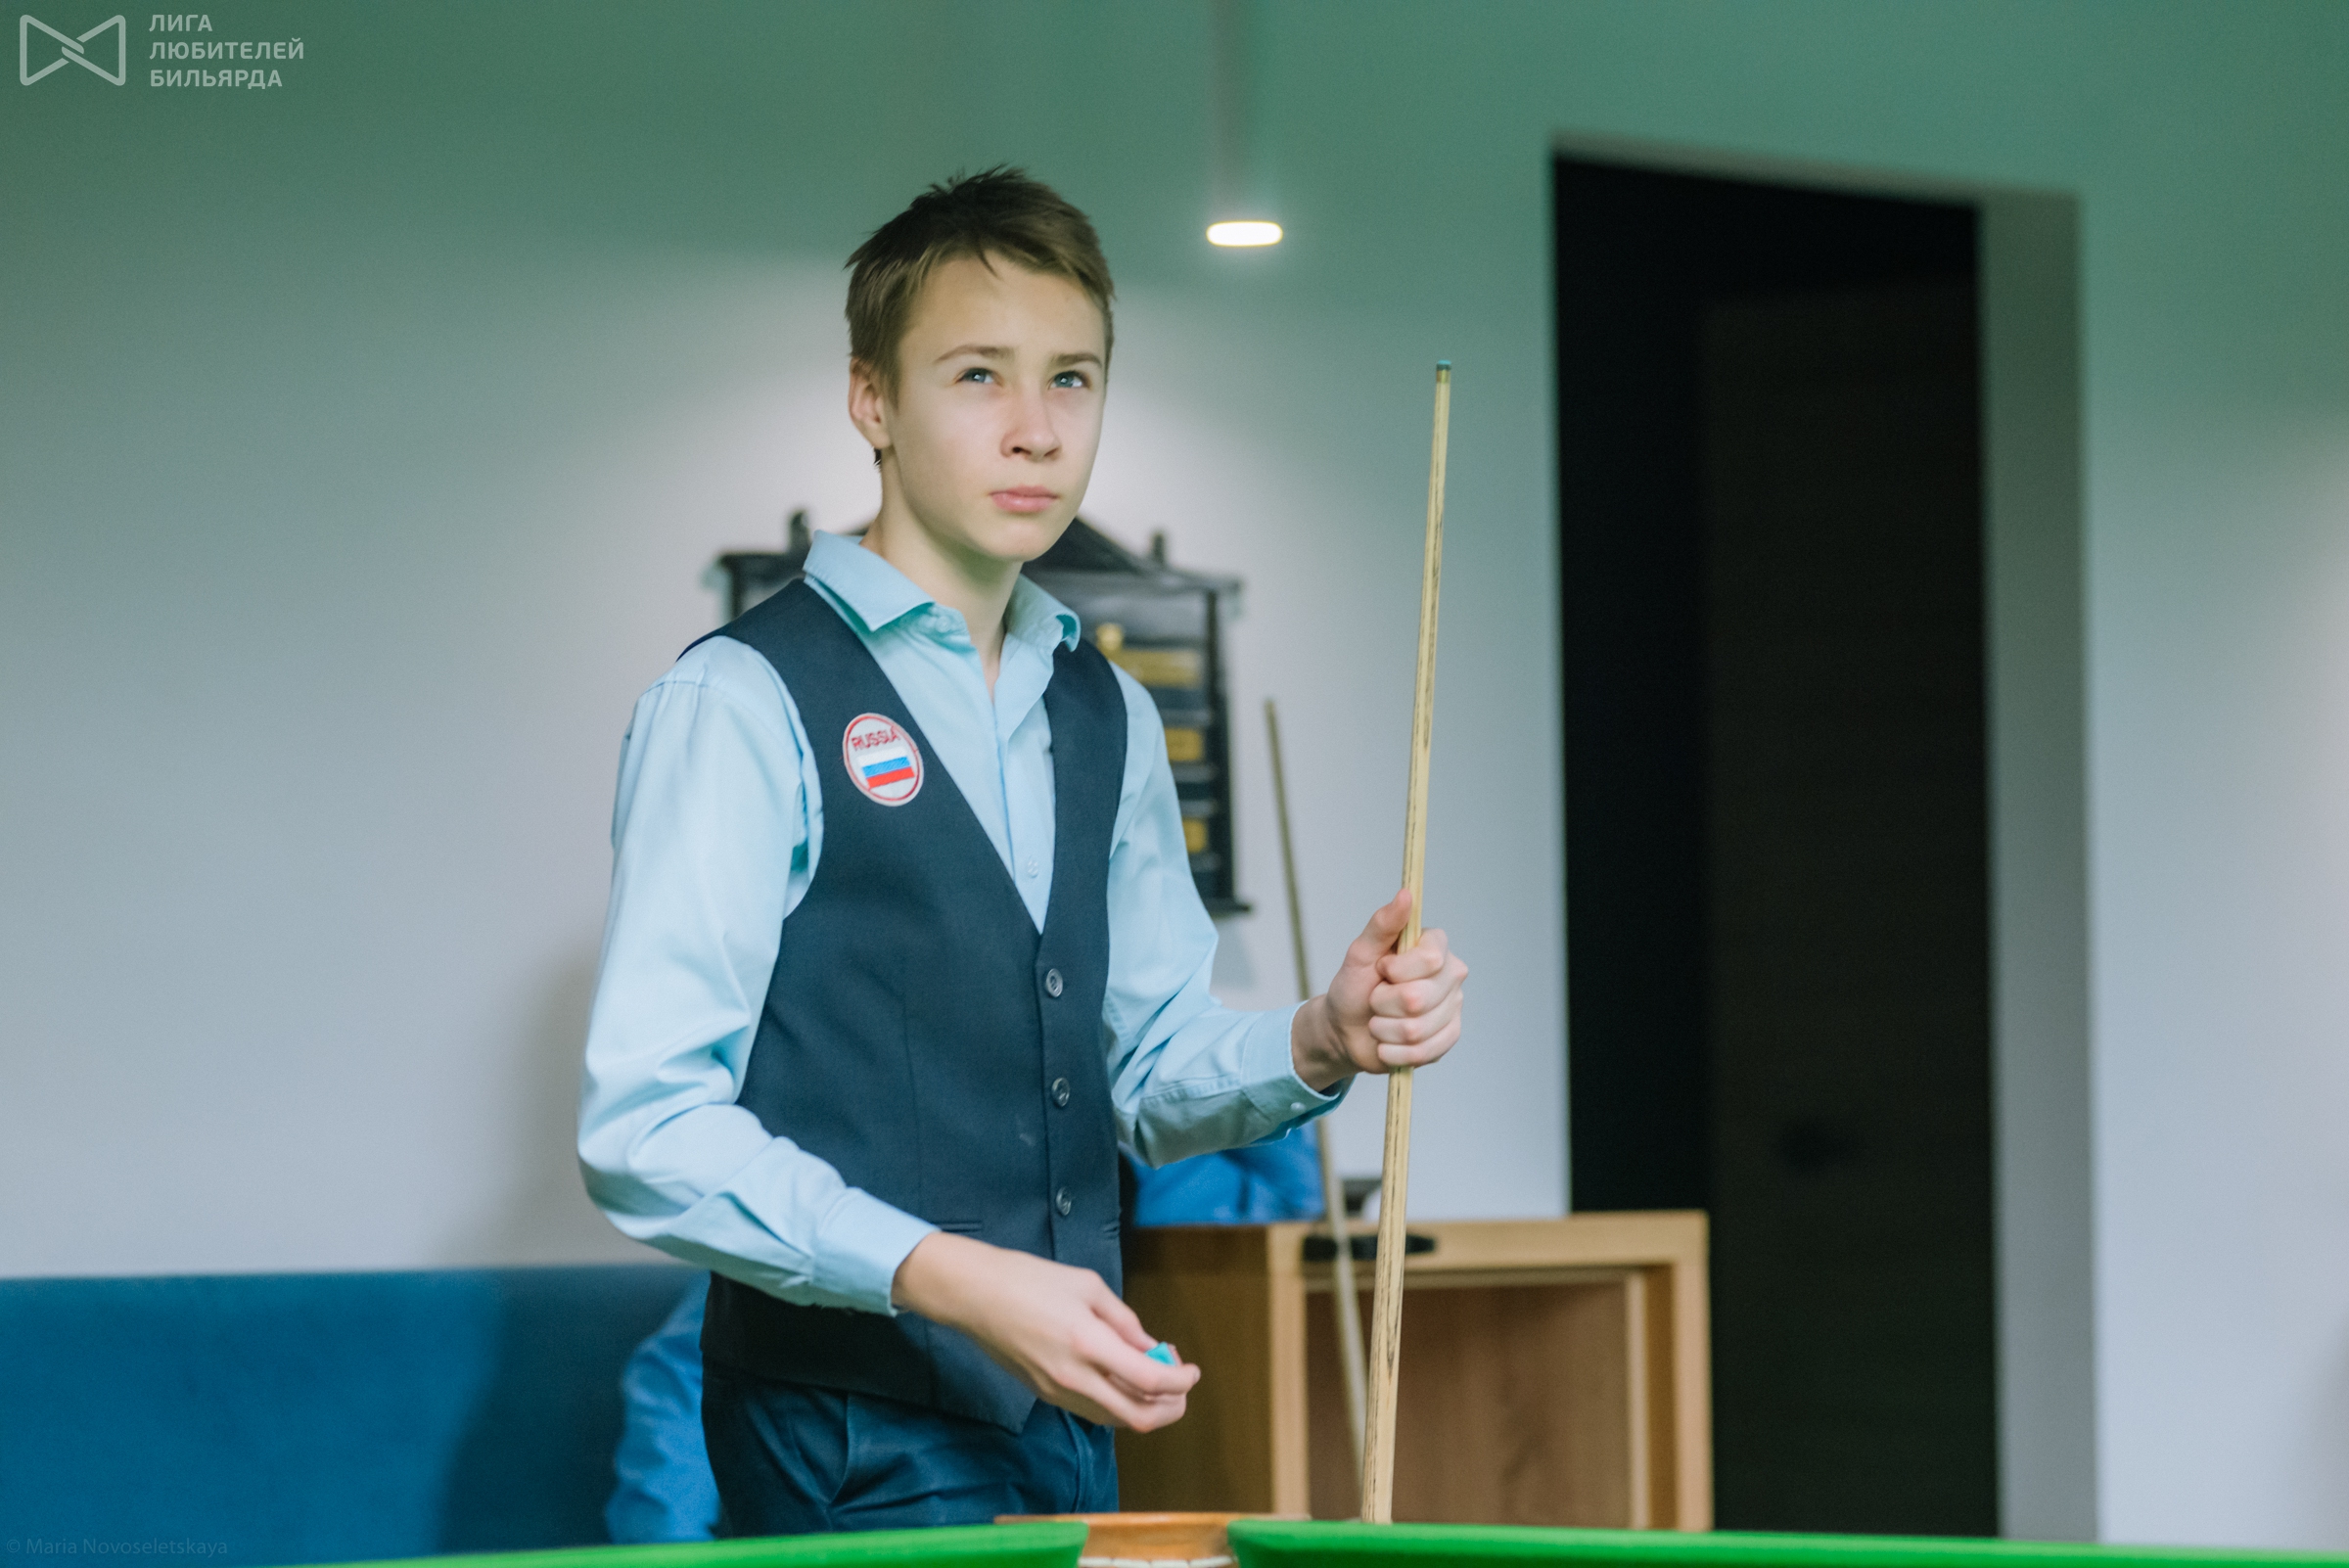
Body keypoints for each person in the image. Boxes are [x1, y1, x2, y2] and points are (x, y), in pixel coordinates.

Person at [576, 167, 1469, 1537]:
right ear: (872, 399)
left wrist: (1319, 1037)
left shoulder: (1104, 708)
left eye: (1072, 379)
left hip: (1066, 1427)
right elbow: (646, 1128)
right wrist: (954, 1276)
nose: (1037, 430)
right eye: (979, 375)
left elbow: (1142, 1069)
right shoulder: (740, 701)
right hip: (847, 1434)